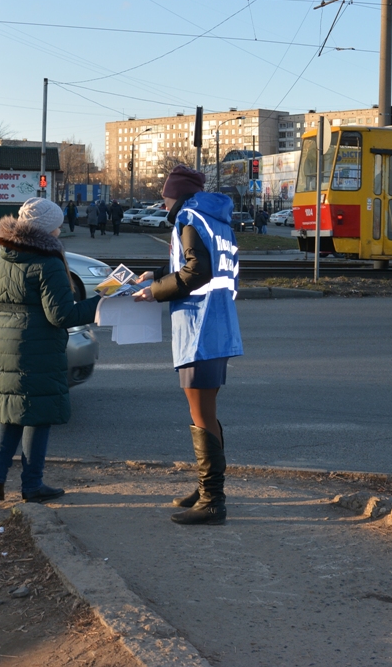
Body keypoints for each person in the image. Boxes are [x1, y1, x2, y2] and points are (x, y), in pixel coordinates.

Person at [133, 165, 243, 526]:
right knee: (205, 410)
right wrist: (157, 273)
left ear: (176, 192)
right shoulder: (213, 217)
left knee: (201, 412)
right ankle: (206, 488)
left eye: (165, 193)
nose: (162, 199)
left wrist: (155, 291)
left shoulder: (189, 216)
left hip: (200, 326)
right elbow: (197, 263)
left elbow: (197, 272)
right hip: (217, 323)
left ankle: (213, 499)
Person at [0, 198, 100, 504]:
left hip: (1, 346)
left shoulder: (0, 254)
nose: (60, 229)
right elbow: (61, 316)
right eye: (57, 224)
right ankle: (32, 485)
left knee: (9, 414)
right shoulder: (48, 262)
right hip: (37, 348)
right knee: (37, 416)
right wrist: (102, 303)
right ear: (48, 229)